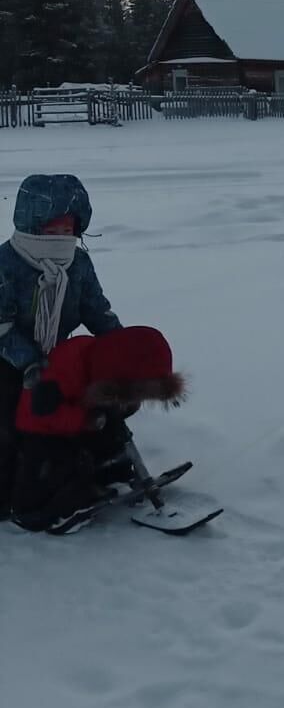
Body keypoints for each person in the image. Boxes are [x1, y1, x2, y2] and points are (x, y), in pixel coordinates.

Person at [0, 174, 122, 519]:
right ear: (32, 227)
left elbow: (95, 309)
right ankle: (17, 490)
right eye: (52, 231)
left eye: (67, 231)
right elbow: (2, 326)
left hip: (58, 356)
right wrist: (30, 365)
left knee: (95, 401)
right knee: (11, 421)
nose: (60, 239)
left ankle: (105, 464)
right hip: (7, 361)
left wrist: (120, 347)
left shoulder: (78, 264)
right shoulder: (6, 264)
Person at [12, 326, 185, 533]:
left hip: (82, 413)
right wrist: (84, 420)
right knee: (62, 466)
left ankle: (114, 476)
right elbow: (41, 413)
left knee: (112, 438)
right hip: (41, 429)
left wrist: (119, 407)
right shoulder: (65, 369)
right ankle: (62, 505)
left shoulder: (103, 363)